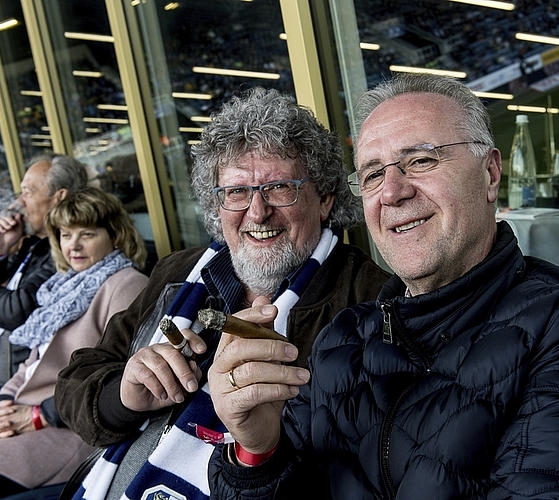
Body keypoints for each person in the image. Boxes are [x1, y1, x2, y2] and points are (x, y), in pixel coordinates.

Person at [206, 74, 559, 499]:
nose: (392, 192)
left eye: (420, 160)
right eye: (373, 174)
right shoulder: (343, 340)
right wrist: (257, 450)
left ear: (490, 174)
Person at [54, 87, 390, 500]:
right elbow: (74, 380)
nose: (257, 211)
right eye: (236, 191)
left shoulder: (370, 303)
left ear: (324, 199)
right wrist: (122, 396)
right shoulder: (177, 272)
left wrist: (263, 445)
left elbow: (362, 473)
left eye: (280, 187)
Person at [0, 186, 149, 497]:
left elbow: (118, 381)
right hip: (25, 411)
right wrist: (0, 404)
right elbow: (31, 364)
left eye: (86, 234)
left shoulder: (126, 285)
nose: (73, 245)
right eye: (65, 234)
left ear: (114, 235)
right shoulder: (62, 286)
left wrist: (39, 416)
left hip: (73, 429)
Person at [0, 153, 88, 393]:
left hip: (10, 384)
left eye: (28, 192)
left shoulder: (70, 250)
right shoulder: (31, 243)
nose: (20, 201)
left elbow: (17, 309)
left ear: (59, 197)